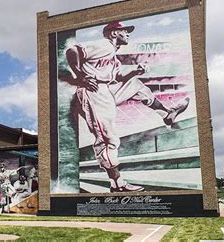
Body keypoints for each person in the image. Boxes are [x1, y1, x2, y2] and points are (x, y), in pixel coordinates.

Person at [65, 21, 190, 193]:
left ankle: (166, 114)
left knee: (135, 84)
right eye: (125, 31)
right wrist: (80, 75)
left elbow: (119, 78)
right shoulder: (104, 45)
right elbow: (72, 51)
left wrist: (135, 71)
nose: (128, 34)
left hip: (105, 89)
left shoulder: (113, 58)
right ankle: (117, 183)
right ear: (114, 33)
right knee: (108, 139)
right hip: (91, 91)